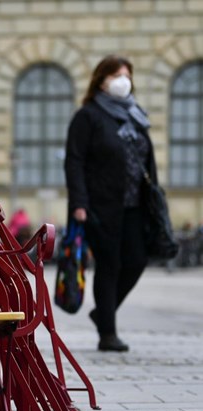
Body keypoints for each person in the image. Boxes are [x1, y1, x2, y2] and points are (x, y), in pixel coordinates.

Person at [64, 54, 154, 352]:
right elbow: (74, 161)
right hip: (99, 205)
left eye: (127, 74)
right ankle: (108, 334)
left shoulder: (135, 114)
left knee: (137, 260)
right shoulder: (88, 116)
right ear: (101, 80)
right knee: (109, 265)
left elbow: (144, 158)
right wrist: (79, 201)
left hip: (134, 203)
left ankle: (102, 311)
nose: (123, 80)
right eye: (116, 75)